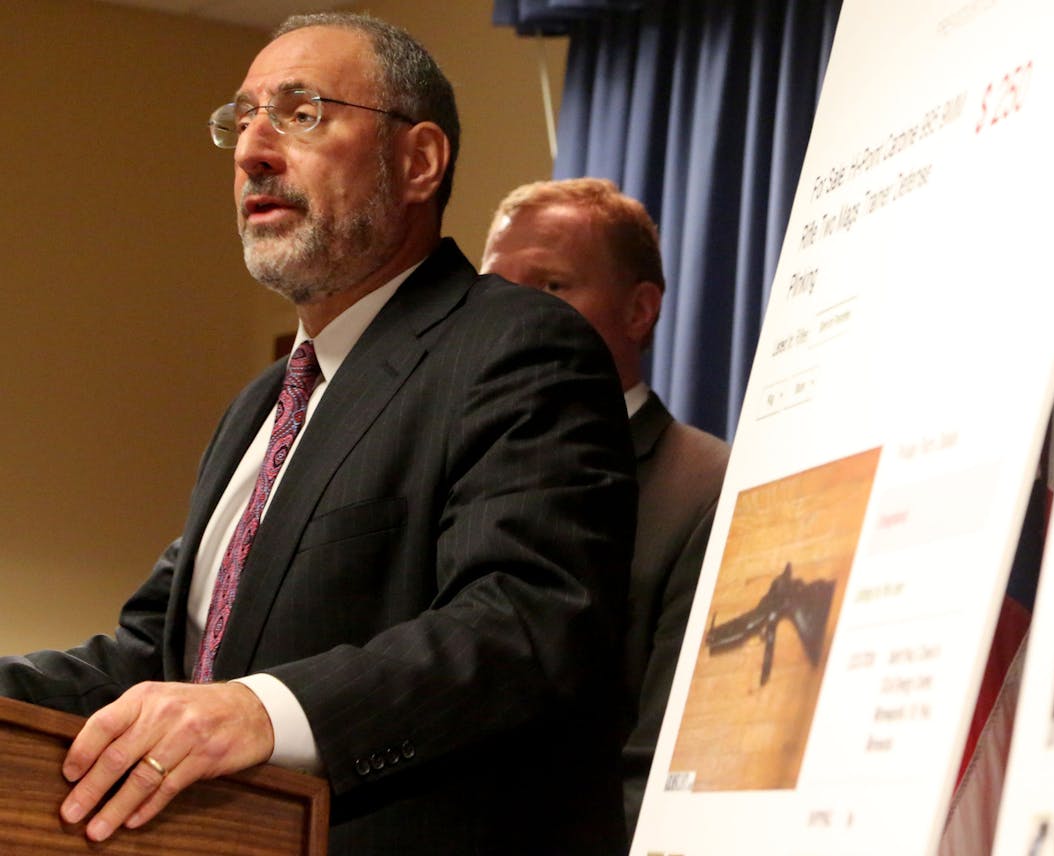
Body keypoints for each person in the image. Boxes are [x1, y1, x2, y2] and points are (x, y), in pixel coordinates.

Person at [0, 14, 635, 854]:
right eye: (242, 119)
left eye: (300, 114)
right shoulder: (259, 406)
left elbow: (525, 625)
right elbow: (154, 663)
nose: (251, 150)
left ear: (418, 161)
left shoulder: (516, 344)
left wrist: (259, 711)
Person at [481, 178, 731, 833]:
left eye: (551, 286)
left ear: (639, 311)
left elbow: (666, 777)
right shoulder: (452, 476)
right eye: (491, 288)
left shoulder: (708, 490)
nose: (507, 314)